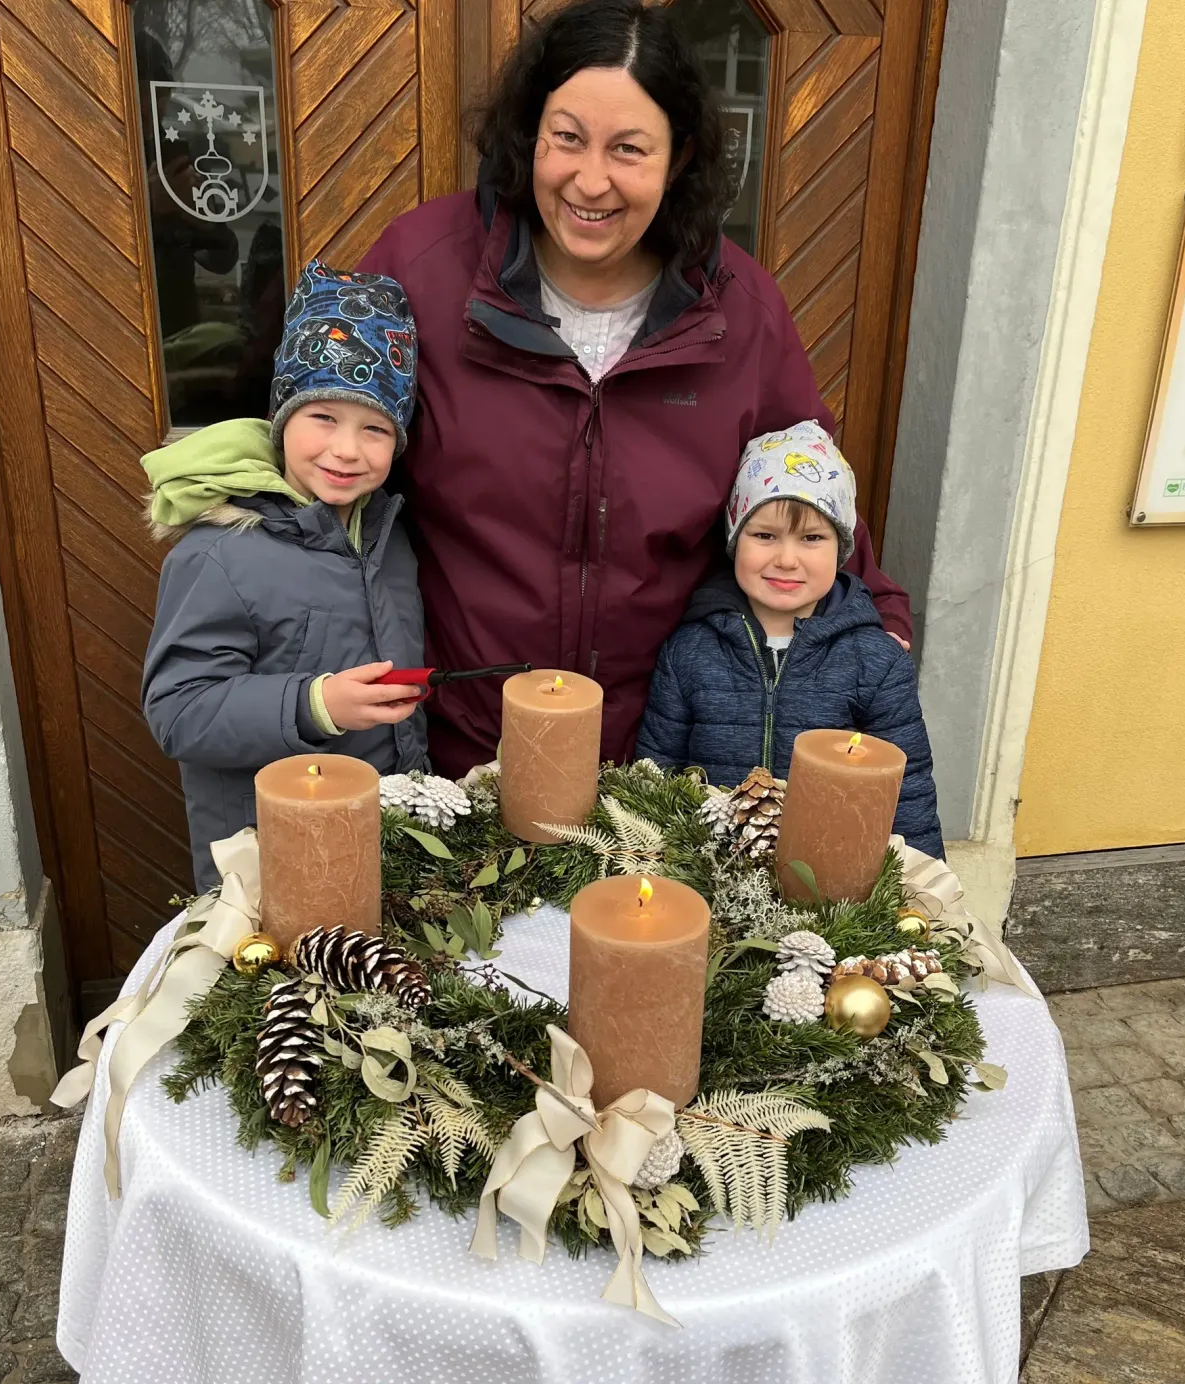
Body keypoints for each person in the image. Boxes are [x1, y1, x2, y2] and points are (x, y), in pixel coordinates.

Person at [357, 0, 911, 780]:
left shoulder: (740, 312)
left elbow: (802, 476)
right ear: (530, 133)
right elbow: (330, 440)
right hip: (454, 745)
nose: (591, 180)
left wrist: (876, 614)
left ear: (679, 158)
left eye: (629, 149)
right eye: (567, 139)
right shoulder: (421, 268)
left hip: (663, 755)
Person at [142, 263, 428, 887]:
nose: (348, 450)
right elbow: (178, 710)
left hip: (378, 838)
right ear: (281, 420)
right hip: (267, 861)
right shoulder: (219, 554)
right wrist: (314, 703)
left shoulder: (389, 539)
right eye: (323, 417)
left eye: (375, 428)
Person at [635, 423, 942, 856]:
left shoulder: (876, 660)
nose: (786, 559)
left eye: (812, 538)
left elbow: (907, 791)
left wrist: (923, 896)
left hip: (833, 884)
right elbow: (656, 774)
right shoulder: (690, 650)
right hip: (708, 875)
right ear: (735, 541)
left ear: (842, 550)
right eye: (764, 536)